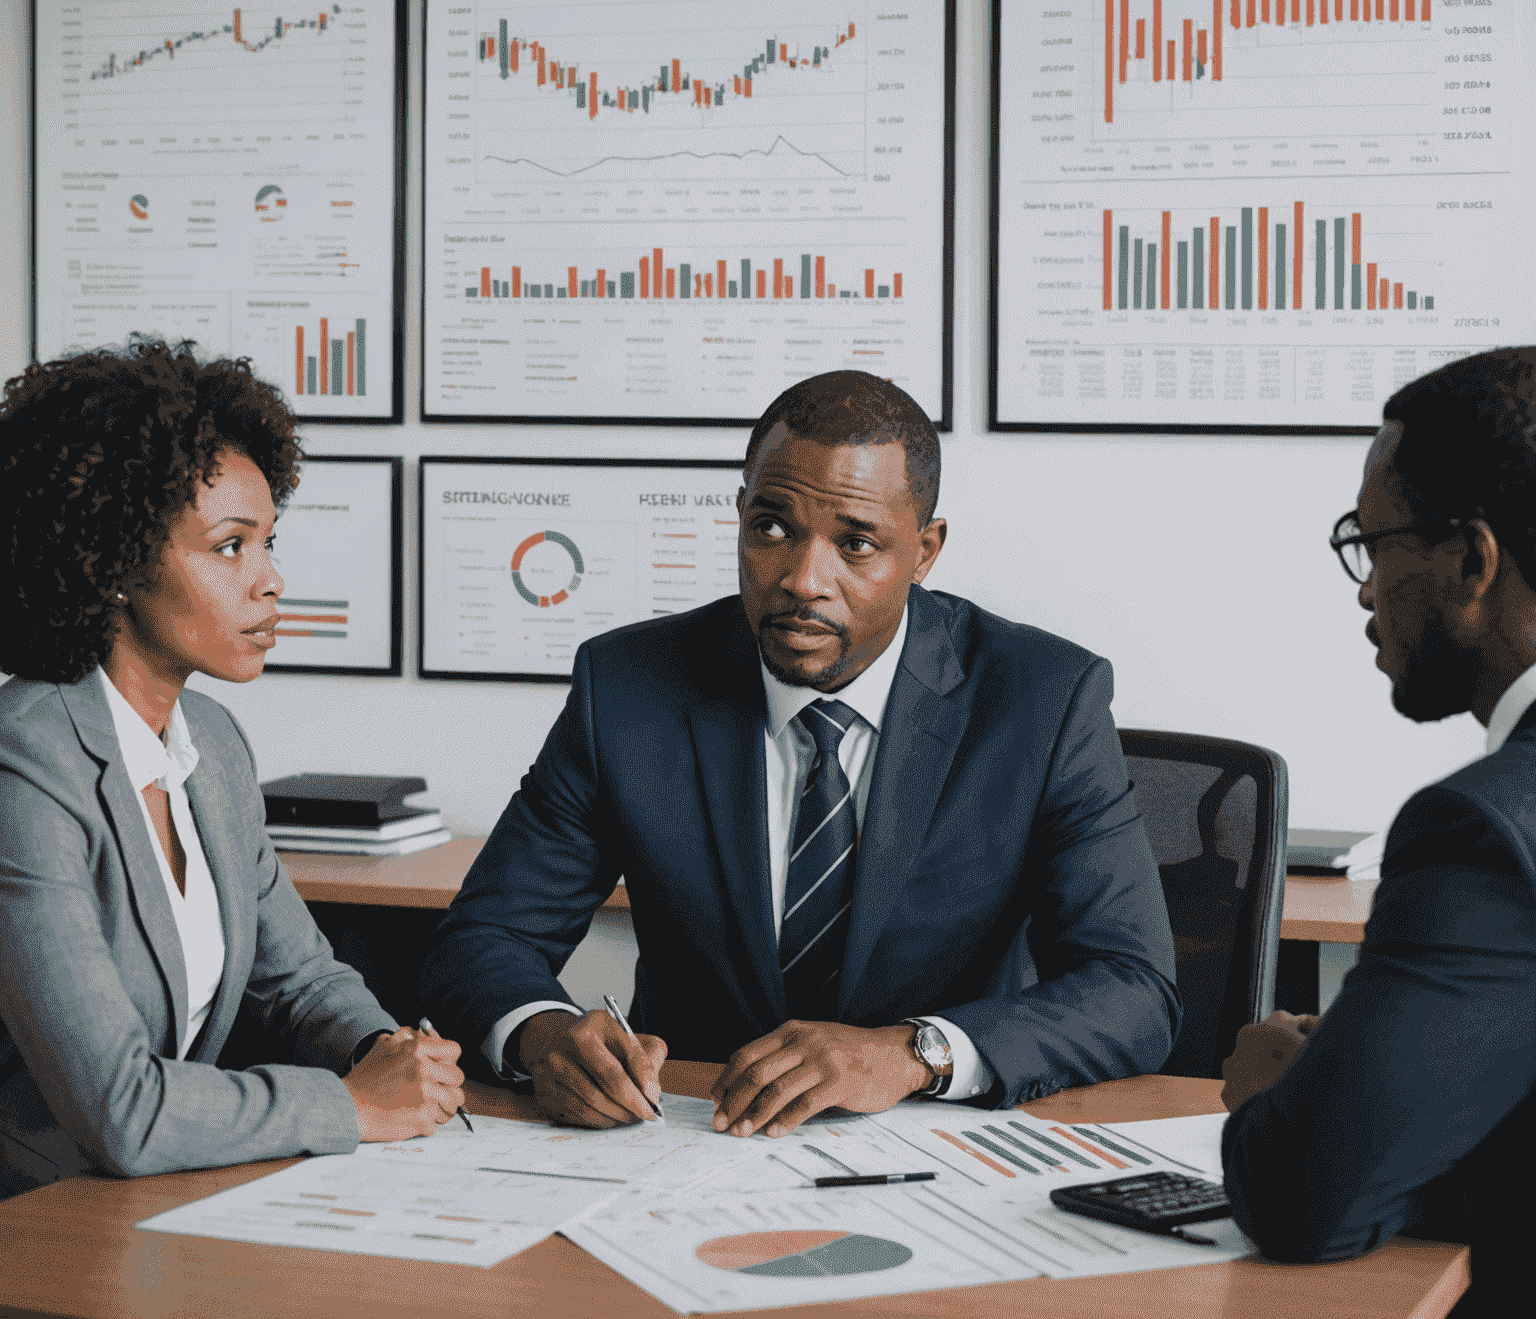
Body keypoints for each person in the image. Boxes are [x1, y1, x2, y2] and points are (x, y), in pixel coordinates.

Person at [422, 369, 1178, 1137]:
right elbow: (485, 939)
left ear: (924, 551)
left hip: (937, 1144)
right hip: (689, 1136)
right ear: (742, 516)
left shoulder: (1042, 700)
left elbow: (1132, 988)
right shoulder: (628, 690)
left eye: (856, 544)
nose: (800, 580)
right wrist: (542, 1034)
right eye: (773, 528)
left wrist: (915, 1054)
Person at [0, 340, 465, 1199]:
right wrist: (350, 1104)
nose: (271, 580)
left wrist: (385, 1053)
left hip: (148, 1199)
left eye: (268, 542)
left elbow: (300, 980)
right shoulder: (23, 764)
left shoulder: (208, 742)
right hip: (36, 1214)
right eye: (229, 547)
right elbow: (120, 1107)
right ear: (114, 564)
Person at [1220, 347, 1536, 1317]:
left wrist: (1298, 1086)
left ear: (1473, 561)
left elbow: (1307, 1201)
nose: (1365, 588)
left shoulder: (1479, 830)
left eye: (1377, 542)